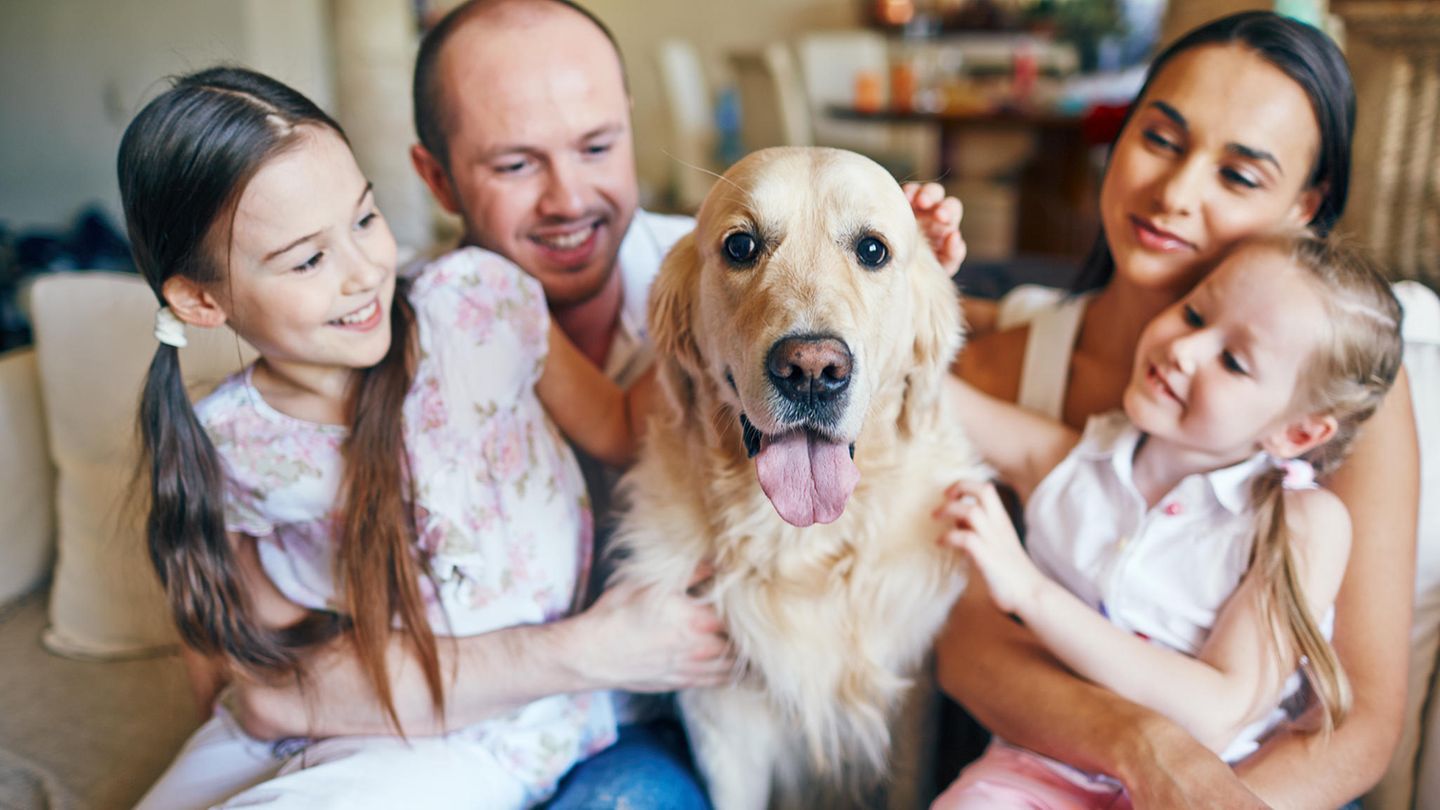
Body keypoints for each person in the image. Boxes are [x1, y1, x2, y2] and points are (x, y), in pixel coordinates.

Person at [220, 2, 970, 806]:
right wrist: (588, 652)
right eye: (516, 164)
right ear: (436, 179)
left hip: (624, 739)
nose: (568, 197)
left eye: (597, 146)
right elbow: (262, 685)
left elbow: (950, 382)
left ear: (630, 129)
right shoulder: (382, 335)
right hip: (507, 723)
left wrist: (899, 275)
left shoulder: (696, 262)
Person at [124, 66, 728, 809]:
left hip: (499, 728)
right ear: (199, 299)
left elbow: (621, 427)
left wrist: (718, 301)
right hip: (357, 706)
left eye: (365, 219)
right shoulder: (231, 438)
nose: (363, 272)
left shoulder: (476, 301)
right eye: (309, 259)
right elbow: (244, 653)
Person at [943, 11, 1423, 808]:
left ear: (1306, 205)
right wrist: (1144, 750)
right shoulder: (1010, 366)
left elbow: (1361, 721)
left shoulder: (1343, 394)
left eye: (1239, 175)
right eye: (1160, 139)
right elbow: (968, 650)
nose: (1174, 193)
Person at [932, 234, 1403, 808]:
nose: (1185, 349)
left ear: (1298, 432)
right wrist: (913, 263)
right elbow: (930, 393)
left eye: (1233, 361)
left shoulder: (1301, 521)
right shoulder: (1075, 461)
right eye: (1195, 314)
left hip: (1205, 787)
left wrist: (1028, 590)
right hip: (1034, 769)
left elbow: (1218, 712)